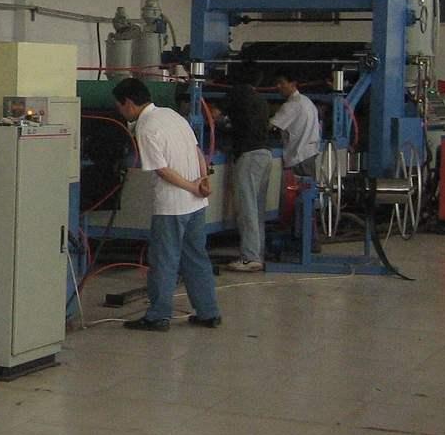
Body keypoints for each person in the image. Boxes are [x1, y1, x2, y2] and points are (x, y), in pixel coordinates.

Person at [112, 78, 222, 331]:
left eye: (119, 107)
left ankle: (158, 316)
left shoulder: (146, 126)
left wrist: (192, 186)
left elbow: (161, 170)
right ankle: (208, 312)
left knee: (164, 260)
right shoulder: (172, 115)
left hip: (172, 205)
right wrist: (203, 180)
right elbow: (197, 150)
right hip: (196, 203)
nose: (120, 112)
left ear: (128, 103)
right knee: (196, 257)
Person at [222, 66, 271, 273]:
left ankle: (250, 257)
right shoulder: (261, 100)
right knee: (257, 209)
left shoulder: (239, 93)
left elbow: (220, 117)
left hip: (249, 156)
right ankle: (257, 254)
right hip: (265, 154)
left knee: (247, 208)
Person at [272, 70, 321, 177]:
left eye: (281, 83)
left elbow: (270, 125)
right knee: (309, 186)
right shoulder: (306, 101)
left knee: (300, 186)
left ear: (293, 84)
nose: (278, 86)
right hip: (309, 154)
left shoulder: (292, 105)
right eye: (277, 83)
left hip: (298, 157)